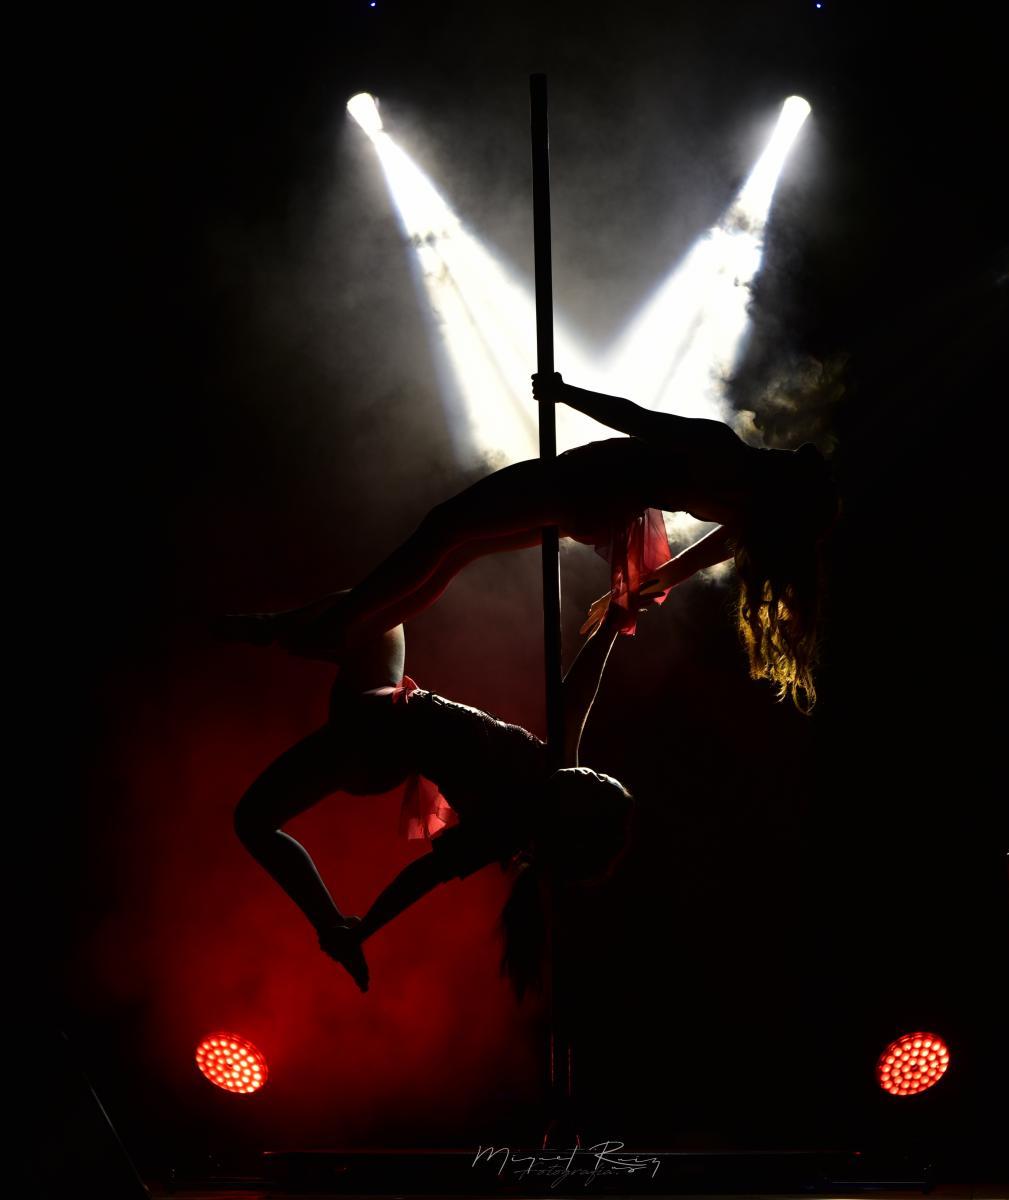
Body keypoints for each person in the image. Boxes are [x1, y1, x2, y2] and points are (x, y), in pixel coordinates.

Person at [218, 373, 839, 711]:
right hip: (599, 505)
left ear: (787, 482)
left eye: (796, 461)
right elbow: (711, 550)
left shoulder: (724, 453)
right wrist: (656, 579)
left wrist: (566, 394)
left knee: (445, 525)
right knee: (459, 547)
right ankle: (346, 626)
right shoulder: (746, 510)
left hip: (585, 485)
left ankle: (336, 625)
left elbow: (638, 420)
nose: (789, 450)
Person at [232, 605, 635, 999]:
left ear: (572, 817)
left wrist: (361, 930)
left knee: (252, 820)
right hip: (385, 696)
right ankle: (274, 624)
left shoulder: (502, 828)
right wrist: (610, 626)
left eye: (596, 784)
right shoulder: (556, 762)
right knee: (379, 605)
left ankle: (328, 923)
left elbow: (422, 877)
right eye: (601, 775)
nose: (590, 772)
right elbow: (578, 694)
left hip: (366, 749)